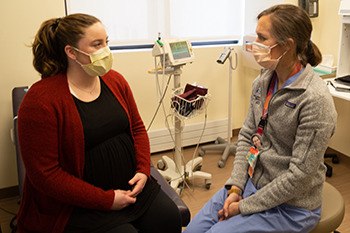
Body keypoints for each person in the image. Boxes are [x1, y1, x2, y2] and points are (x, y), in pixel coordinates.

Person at [17, 13, 182, 233]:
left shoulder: (115, 80)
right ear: (71, 52)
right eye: (97, 44)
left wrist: (143, 170)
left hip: (132, 191)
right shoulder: (41, 100)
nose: (106, 50)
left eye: (107, 42)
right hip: (78, 205)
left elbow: (137, 128)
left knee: (170, 218)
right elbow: (45, 175)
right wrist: (106, 200)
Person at [183, 4, 337, 233]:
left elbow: (300, 177)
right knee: (194, 229)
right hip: (251, 185)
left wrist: (244, 206)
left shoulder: (314, 100)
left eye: (262, 37)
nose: (254, 43)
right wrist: (235, 188)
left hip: (291, 206)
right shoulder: (263, 81)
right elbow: (246, 136)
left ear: (287, 45)